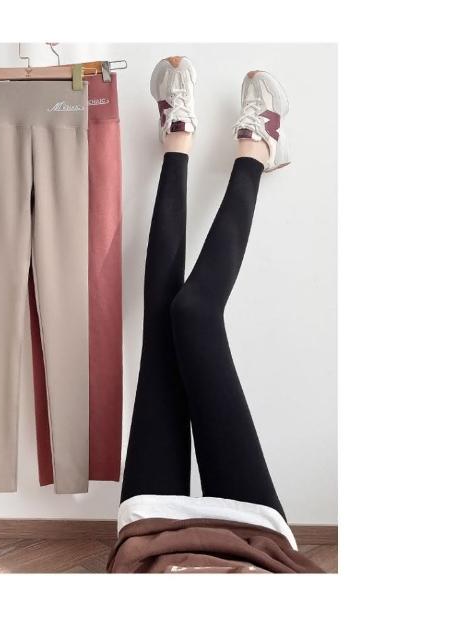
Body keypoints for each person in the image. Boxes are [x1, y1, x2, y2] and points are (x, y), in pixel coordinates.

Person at [106, 56, 324, 573]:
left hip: (151, 548)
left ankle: (183, 139)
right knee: (191, 313)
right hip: (251, 549)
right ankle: (247, 148)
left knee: (164, 325)